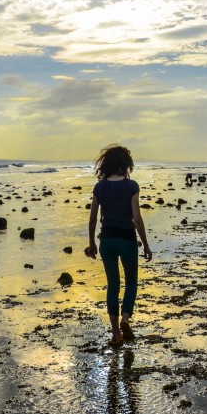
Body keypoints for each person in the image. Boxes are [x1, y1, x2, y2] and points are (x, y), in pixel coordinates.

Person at [86, 144, 152, 345]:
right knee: (131, 281)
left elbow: (92, 219)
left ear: (106, 164)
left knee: (113, 284)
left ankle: (116, 334)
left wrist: (91, 244)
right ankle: (125, 318)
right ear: (126, 164)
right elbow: (137, 219)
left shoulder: (99, 187)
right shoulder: (131, 186)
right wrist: (145, 245)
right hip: (127, 239)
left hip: (106, 239)